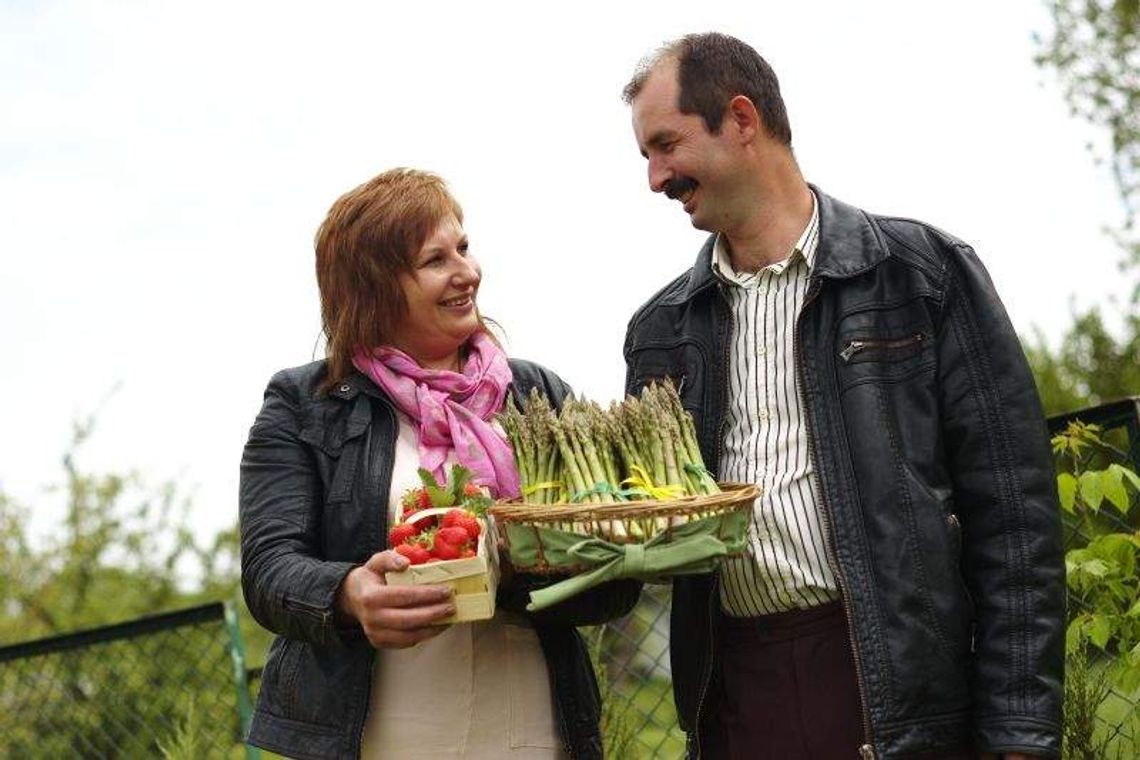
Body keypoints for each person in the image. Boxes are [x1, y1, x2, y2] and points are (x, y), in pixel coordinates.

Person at [620, 33, 1064, 760]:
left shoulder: (923, 274)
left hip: (896, 687)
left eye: (665, 145)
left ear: (739, 119)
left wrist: (1018, 730)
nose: (654, 176)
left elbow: (1014, 518)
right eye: (645, 156)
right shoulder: (661, 332)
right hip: (737, 691)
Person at [239, 168, 638, 760]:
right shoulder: (305, 404)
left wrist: (524, 563)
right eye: (435, 260)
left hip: (530, 733)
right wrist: (347, 593)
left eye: (464, 248)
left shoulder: (537, 396)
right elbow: (269, 569)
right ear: (373, 289)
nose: (467, 273)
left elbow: (616, 582)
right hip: (380, 739)